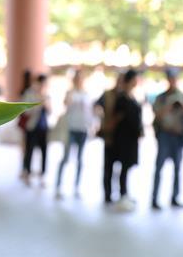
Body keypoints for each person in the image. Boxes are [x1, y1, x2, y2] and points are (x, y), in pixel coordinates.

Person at [99, 69, 142, 210]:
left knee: (125, 168)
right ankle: (112, 194)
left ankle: (123, 194)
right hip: (121, 139)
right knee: (113, 167)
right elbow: (115, 118)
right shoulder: (120, 98)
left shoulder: (132, 97)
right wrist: (106, 132)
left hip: (130, 139)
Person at [151, 67, 183, 209]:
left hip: (178, 136)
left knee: (177, 168)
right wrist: (169, 106)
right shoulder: (161, 98)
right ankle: (154, 198)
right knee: (159, 167)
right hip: (165, 135)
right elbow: (157, 115)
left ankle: (175, 197)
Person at [55, 69, 93, 198]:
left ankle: (77, 187)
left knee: (80, 160)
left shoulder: (86, 94)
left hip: (83, 129)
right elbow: (66, 103)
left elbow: (89, 111)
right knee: (65, 158)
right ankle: (58, 186)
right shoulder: (70, 92)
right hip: (70, 128)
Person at [21, 74, 50, 184]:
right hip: (32, 126)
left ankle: (42, 174)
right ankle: (27, 172)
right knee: (29, 150)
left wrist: (45, 103)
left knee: (44, 151)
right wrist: (38, 103)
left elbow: (50, 111)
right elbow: (26, 111)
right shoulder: (29, 93)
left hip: (43, 127)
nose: (42, 86)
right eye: (41, 83)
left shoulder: (46, 95)